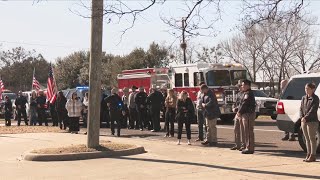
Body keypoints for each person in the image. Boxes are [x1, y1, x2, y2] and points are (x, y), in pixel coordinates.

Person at [300, 83, 319, 162]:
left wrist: (306, 117)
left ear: (313, 89)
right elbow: (301, 108)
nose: (306, 90)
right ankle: (308, 154)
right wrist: (302, 117)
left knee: (312, 139)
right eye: (305, 88)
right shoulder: (304, 98)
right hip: (304, 121)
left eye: (308, 88)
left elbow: (313, 110)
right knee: (306, 139)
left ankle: (313, 155)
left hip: (312, 121)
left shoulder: (315, 98)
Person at [236, 80, 256, 154]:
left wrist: (239, 112)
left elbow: (244, 103)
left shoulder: (248, 93)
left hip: (248, 114)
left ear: (248, 85)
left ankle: (250, 148)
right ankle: (248, 147)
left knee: (248, 131)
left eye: (243, 85)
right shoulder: (245, 93)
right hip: (245, 114)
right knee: (246, 131)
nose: (242, 86)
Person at [230, 82, 245, 150]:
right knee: (236, 129)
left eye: (240, 87)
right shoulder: (238, 94)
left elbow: (243, 104)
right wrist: (233, 107)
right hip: (237, 113)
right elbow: (235, 103)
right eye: (238, 88)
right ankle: (237, 144)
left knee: (243, 130)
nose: (239, 89)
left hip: (242, 113)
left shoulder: (245, 94)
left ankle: (244, 145)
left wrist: (238, 109)